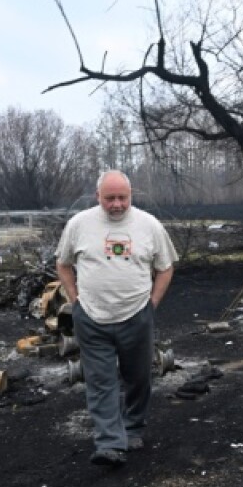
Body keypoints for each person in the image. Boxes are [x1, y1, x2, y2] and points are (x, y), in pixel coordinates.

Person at [55, 170, 177, 466]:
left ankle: (133, 427)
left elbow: (166, 266)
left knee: (138, 377)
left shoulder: (149, 225)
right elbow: (63, 264)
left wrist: (152, 304)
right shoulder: (79, 225)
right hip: (91, 317)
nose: (117, 204)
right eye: (110, 198)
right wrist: (76, 300)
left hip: (136, 314)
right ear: (98, 197)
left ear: (131, 195)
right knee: (100, 381)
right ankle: (110, 443)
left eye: (123, 197)